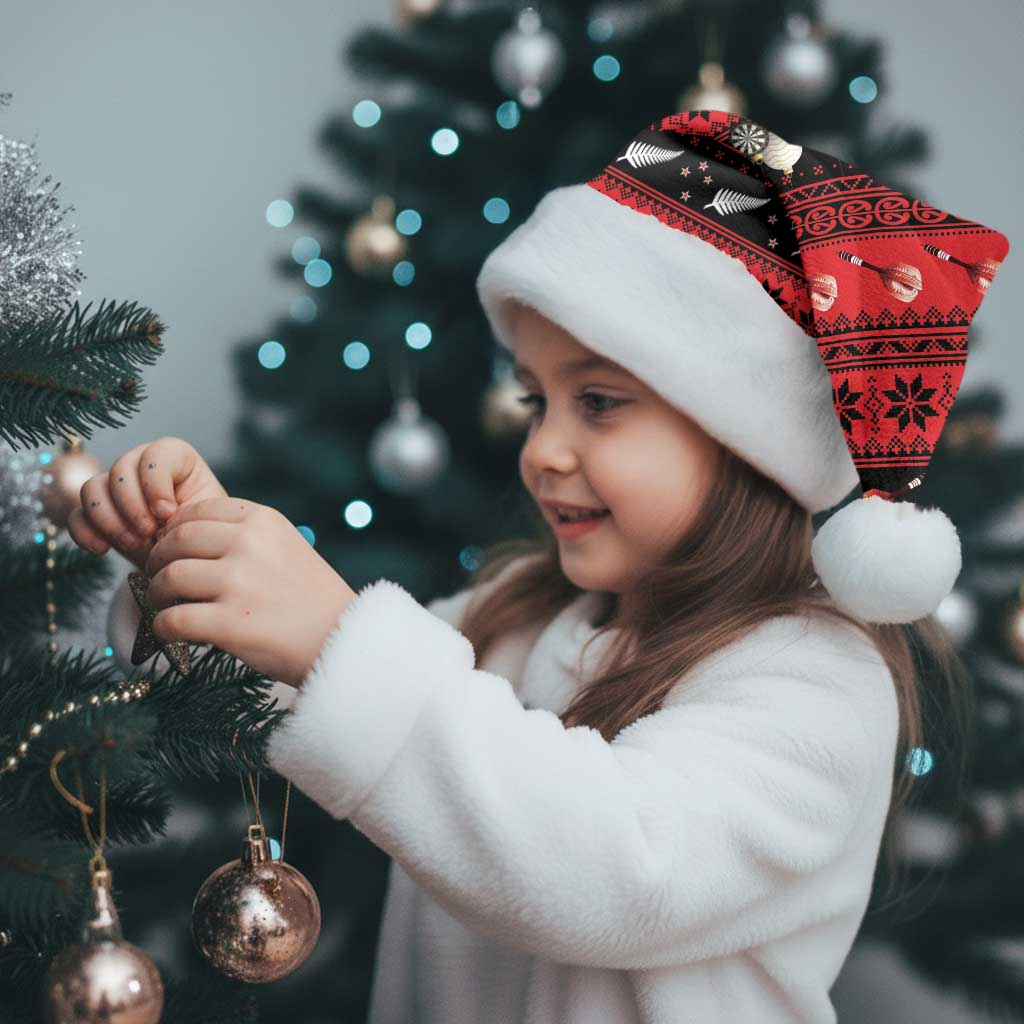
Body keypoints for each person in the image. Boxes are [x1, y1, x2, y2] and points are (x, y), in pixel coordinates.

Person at [72, 109, 1010, 1023]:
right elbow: (306, 692)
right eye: (535, 402)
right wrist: (190, 566)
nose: (543, 451)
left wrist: (335, 637)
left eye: (598, 403)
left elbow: (616, 871)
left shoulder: (818, 684)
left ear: (747, 441)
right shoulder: (515, 616)